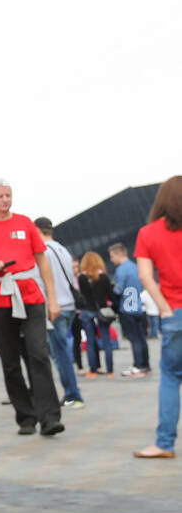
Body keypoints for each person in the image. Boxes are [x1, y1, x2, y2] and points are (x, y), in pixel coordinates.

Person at [0, 179, 63, 437]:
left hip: (30, 295)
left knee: (38, 354)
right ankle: (26, 416)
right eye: (0, 196)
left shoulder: (25, 223)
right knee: (10, 361)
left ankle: (50, 417)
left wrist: (52, 298)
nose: (5, 200)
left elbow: (42, 262)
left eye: (8, 195)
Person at [132, 176, 182, 459]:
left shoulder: (148, 233)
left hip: (174, 313)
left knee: (172, 378)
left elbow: (145, 276)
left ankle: (164, 443)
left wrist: (164, 306)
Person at [33, 217, 85, 408]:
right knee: (61, 350)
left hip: (56, 307)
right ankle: (72, 390)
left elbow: (42, 279)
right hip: (69, 305)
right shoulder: (62, 249)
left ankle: (73, 394)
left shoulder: (44, 251)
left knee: (59, 352)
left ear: (37, 230)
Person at [109, 243, 150, 377]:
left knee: (134, 339)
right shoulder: (135, 267)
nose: (111, 260)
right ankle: (146, 365)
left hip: (127, 309)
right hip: (138, 308)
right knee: (142, 338)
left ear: (119, 253)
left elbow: (118, 290)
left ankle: (138, 366)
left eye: (112, 256)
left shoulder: (121, 270)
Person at [78, 252, 117, 377]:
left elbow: (83, 295)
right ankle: (110, 370)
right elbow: (110, 296)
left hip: (87, 311)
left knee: (90, 341)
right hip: (103, 311)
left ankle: (93, 370)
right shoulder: (104, 277)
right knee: (106, 340)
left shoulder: (81, 278)